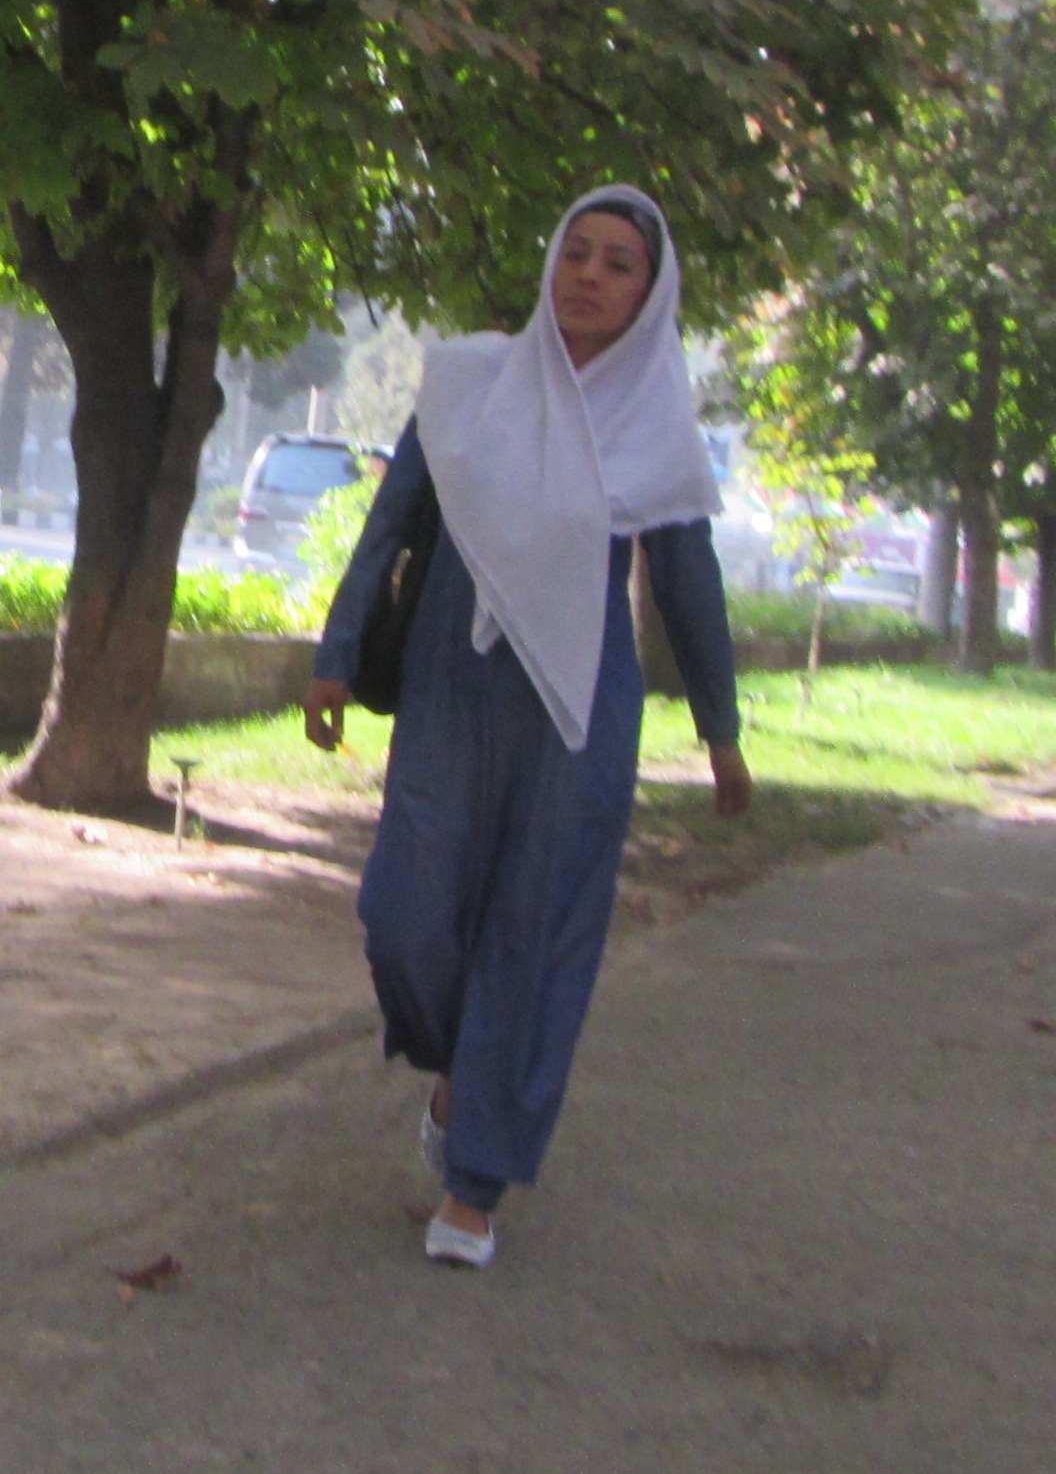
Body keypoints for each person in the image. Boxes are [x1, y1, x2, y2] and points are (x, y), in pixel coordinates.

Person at [302, 188, 750, 1268]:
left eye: (618, 264)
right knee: (405, 914)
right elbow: (391, 523)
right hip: (450, 686)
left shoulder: (654, 426)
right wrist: (334, 654)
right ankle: (463, 1071)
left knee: (536, 933)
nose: (589, 275)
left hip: (579, 708)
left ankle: (476, 1183)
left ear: (649, 296)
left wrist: (721, 731)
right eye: (576, 253)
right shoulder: (470, 383)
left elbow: (686, 587)